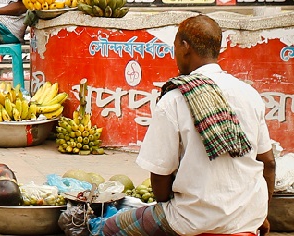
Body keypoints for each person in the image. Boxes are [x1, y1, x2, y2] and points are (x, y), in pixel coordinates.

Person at [103, 15, 276, 236]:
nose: (174, 55)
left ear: (185, 47)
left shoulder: (174, 99)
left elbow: (159, 177)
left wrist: (168, 209)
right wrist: (260, 214)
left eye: (174, 47)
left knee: (110, 228)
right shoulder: (249, 94)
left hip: (191, 221)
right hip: (248, 219)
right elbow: (268, 163)